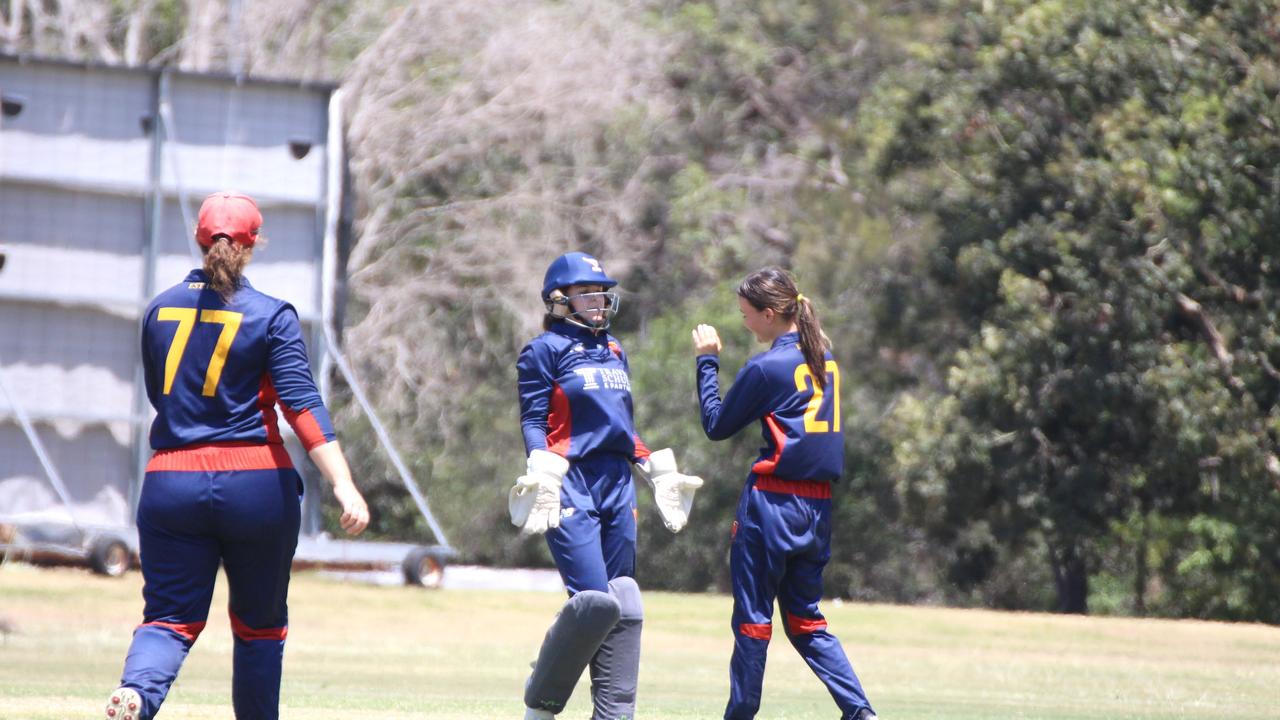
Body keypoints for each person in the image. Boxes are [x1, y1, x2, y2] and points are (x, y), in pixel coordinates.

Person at [103, 192, 370, 720]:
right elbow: (302, 406)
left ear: (201, 239)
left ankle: (138, 692)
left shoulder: (158, 309)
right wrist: (342, 482)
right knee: (259, 626)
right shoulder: (271, 315)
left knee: (169, 620)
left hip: (171, 480)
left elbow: (164, 397)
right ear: (251, 245)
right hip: (255, 484)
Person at [510, 251, 703, 720]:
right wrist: (540, 467)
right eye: (587, 292)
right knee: (594, 603)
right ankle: (541, 705)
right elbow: (534, 419)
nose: (599, 300)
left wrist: (653, 466)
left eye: (602, 292)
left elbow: (620, 426)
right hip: (569, 480)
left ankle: (614, 714)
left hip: (617, 481)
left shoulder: (615, 350)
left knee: (625, 599)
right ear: (559, 299)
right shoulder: (544, 350)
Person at [691, 267, 878, 720]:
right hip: (816, 509)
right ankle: (861, 713)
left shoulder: (767, 366)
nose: (744, 323)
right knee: (805, 619)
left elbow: (716, 426)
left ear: (771, 314)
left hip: (772, 505)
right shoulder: (825, 361)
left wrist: (707, 361)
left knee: (754, 621)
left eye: (747, 315)